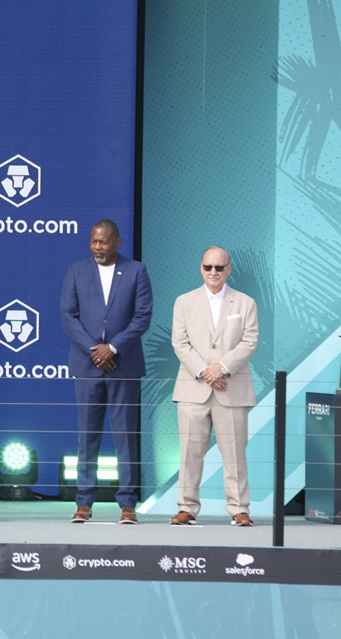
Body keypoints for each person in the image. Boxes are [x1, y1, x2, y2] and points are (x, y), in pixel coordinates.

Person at [60, 219, 152, 524]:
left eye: (103, 241)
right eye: (93, 241)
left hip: (123, 365)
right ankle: (84, 502)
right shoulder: (76, 270)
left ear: (117, 242)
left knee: (125, 437)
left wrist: (112, 348)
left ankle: (127, 504)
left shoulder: (136, 271)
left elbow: (142, 316)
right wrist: (95, 350)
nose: (97, 247)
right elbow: (68, 316)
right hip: (88, 366)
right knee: (87, 437)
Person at [169, 246, 259, 527]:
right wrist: (205, 372)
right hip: (193, 389)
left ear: (229, 269)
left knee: (234, 454)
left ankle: (239, 509)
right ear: (201, 268)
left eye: (219, 267)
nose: (213, 272)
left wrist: (222, 367)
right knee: (189, 454)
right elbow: (180, 343)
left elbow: (250, 341)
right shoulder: (184, 302)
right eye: (208, 267)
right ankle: (186, 507)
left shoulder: (245, 303)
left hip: (231, 388)